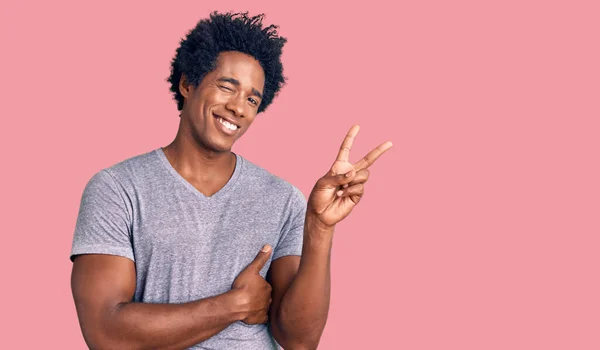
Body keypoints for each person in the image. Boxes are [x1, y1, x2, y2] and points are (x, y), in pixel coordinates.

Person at [70, 11, 392, 350]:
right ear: (187, 84)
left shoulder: (284, 199)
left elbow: (299, 340)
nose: (239, 108)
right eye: (227, 87)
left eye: (252, 99)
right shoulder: (117, 189)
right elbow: (105, 333)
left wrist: (320, 229)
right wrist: (232, 305)